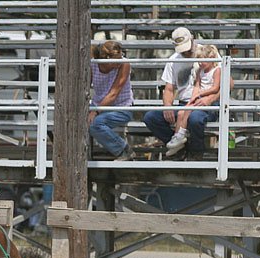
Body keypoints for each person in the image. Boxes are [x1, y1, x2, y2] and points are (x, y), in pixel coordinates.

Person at [143, 27, 222, 161]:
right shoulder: (173, 60)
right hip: (185, 102)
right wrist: (167, 106)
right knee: (151, 118)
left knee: (195, 119)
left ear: (192, 39)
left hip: (205, 102)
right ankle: (179, 147)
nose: (185, 52)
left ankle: (196, 152)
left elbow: (226, 83)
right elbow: (168, 88)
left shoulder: (208, 53)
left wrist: (210, 99)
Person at [165, 44, 222, 157]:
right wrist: (192, 100)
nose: (200, 63)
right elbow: (197, 86)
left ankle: (196, 152)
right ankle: (178, 140)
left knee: (194, 118)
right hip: (196, 98)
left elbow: (216, 87)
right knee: (182, 112)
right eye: (198, 60)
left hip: (208, 101)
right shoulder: (200, 71)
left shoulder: (217, 70)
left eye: (202, 61)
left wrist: (204, 96)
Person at [89, 40, 135, 161]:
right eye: (117, 58)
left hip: (122, 107)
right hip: (100, 106)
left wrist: (95, 111)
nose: (121, 60)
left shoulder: (124, 64)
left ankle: (123, 150)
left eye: (121, 56)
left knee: (95, 124)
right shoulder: (93, 64)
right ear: (107, 58)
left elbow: (114, 93)